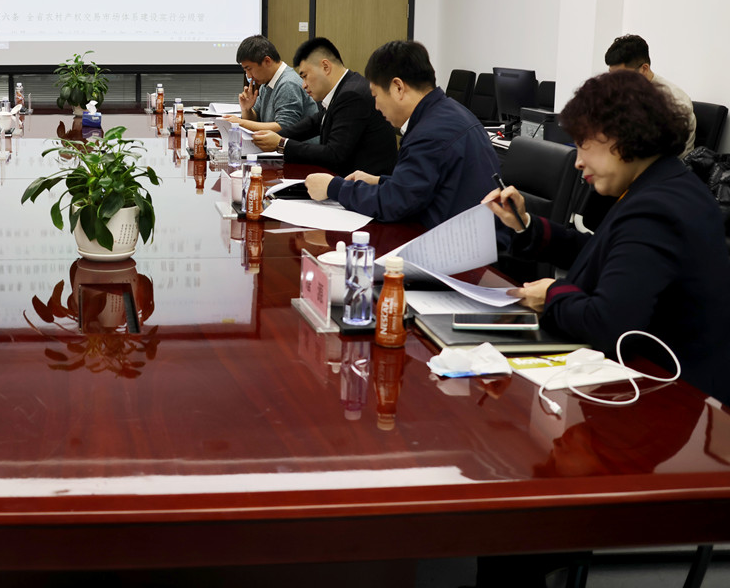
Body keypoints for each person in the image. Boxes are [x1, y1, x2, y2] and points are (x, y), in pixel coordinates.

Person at [484, 70, 730, 404]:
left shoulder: (658, 208)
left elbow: (607, 323)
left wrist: (552, 294)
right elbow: (604, 254)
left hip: (667, 395)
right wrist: (525, 225)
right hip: (647, 380)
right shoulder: (662, 184)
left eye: (582, 145)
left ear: (619, 136)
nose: (578, 161)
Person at [306, 40, 500, 230]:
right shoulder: (449, 112)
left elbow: (395, 203)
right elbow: (419, 186)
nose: (376, 106)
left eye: (375, 96)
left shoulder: (429, 133)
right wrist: (380, 180)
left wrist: (334, 187)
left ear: (398, 87)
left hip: (463, 243)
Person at [250, 37, 398, 175]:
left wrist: (282, 144)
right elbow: (314, 123)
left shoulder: (352, 95)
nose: (304, 85)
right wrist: (278, 137)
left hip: (364, 186)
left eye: (305, 76)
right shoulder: (345, 87)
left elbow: (334, 154)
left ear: (325, 67)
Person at [604, 33, 696, 156]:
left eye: (622, 76)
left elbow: (667, 153)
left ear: (644, 69)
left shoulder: (675, 101)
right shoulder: (626, 92)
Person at [223, 35, 318, 131]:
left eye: (249, 69)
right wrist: (247, 109)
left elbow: (285, 128)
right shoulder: (267, 82)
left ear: (267, 61)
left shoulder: (288, 84)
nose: (249, 76)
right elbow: (255, 119)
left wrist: (240, 123)